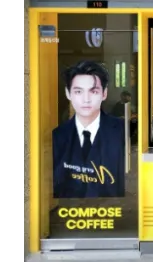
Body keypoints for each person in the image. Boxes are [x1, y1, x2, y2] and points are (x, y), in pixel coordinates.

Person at [52, 60, 125, 198]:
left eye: (94, 91)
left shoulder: (122, 131)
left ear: (104, 93)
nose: (86, 99)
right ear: (68, 93)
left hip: (114, 209)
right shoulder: (57, 136)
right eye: (78, 91)